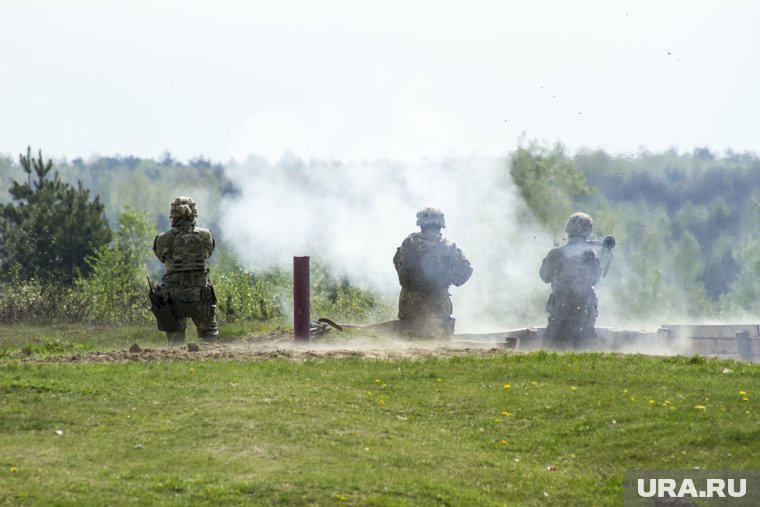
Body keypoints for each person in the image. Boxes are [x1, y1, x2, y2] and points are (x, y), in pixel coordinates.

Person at [393, 207, 473, 338]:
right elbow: (465, 270)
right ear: (441, 224)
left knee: (407, 339)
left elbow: (397, 263)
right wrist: (445, 278)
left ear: (421, 224)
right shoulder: (447, 246)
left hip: (408, 303)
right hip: (436, 304)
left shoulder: (407, 242)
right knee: (439, 342)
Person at [152, 196, 218, 345]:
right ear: (193, 214)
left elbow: (161, 257)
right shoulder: (206, 235)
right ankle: (214, 361)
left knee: (176, 338)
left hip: (174, 295)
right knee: (209, 334)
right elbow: (209, 252)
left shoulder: (163, 239)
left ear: (173, 216)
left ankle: (177, 362)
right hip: (201, 293)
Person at [539, 212, 602, 350]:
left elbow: (544, 276)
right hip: (583, 317)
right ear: (588, 231)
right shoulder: (591, 255)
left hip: (559, 315)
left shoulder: (556, 253)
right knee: (589, 355)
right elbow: (594, 279)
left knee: (549, 351)